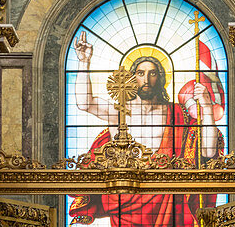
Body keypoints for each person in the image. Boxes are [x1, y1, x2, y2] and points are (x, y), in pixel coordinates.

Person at [69, 32, 221, 226]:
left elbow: (208, 151)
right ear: (132, 78)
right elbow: (84, 103)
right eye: (140, 73)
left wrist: (207, 108)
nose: (146, 79)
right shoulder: (119, 111)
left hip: (168, 199)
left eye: (152, 73)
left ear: (161, 77)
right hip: (127, 200)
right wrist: (84, 62)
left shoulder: (178, 113)